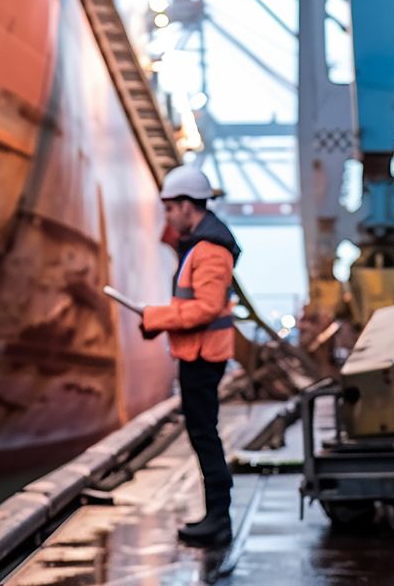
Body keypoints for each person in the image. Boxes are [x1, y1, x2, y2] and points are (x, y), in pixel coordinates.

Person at [140, 165, 240, 548]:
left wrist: (156, 318)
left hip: (203, 357)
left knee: (205, 436)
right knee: (202, 435)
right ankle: (215, 516)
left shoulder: (210, 250)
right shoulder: (199, 245)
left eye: (170, 208)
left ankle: (219, 520)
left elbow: (206, 308)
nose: (167, 217)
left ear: (187, 205)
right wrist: (158, 322)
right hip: (197, 354)